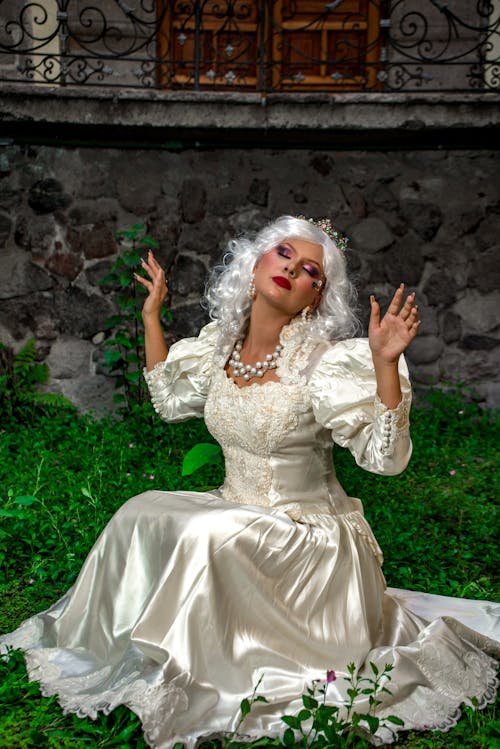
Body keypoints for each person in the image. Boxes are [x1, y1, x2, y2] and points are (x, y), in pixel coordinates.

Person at [1, 216, 498, 748]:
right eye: (284, 253)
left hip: (309, 537)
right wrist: (152, 317)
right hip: (235, 512)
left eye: (311, 270)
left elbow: (386, 460)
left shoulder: (325, 364)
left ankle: (194, 676)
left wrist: (383, 365)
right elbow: (169, 404)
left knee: (205, 536)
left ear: (315, 297)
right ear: (256, 262)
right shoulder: (222, 345)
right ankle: (110, 648)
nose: (292, 268)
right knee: (141, 510)